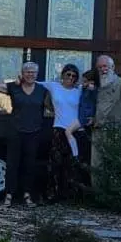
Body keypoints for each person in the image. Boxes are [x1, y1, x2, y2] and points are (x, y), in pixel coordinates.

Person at [0, 59, 50, 209]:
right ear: (22, 73)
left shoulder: (42, 90)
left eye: (33, 72)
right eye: (27, 72)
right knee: (12, 164)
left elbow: (53, 106)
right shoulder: (14, 87)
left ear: (37, 74)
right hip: (16, 131)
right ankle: (9, 195)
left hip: (34, 132)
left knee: (29, 165)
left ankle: (27, 195)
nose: (30, 74)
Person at [37, 63, 87, 201]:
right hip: (59, 129)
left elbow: (89, 101)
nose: (71, 77)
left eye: (74, 76)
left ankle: (71, 196)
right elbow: (35, 83)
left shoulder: (80, 90)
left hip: (75, 130)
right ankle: (52, 194)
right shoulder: (54, 87)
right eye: (68, 74)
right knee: (55, 163)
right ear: (63, 75)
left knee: (72, 164)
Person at [87, 55, 121, 173]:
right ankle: (97, 191)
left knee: (116, 162)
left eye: (105, 66)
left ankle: (113, 191)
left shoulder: (120, 82)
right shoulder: (94, 85)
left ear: (112, 67)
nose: (103, 69)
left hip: (116, 129)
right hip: (98, 130)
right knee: (96, 165)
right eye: (99, 67)